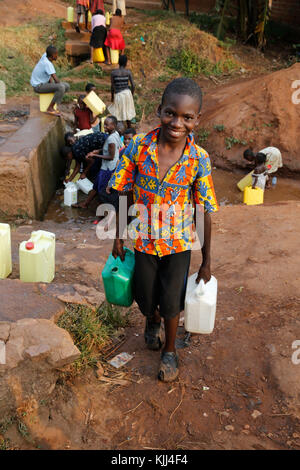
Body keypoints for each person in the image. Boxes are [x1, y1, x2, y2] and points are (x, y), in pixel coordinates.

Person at [107, 78, 218, 382]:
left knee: (173, 298)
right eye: (171, 113)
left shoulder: (199, 159)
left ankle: (170, 351)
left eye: (187, 117)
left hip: (179, 242)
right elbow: (122, 192)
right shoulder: (139, 147)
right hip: (143, 238)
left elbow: (203, 210)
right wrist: (118, 233)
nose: (177, 122)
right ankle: (150, 318)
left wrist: (206, 260)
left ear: (197, 119)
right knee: (144, 294)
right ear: (159, 110)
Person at [72, 115, 122, 208]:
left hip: (108, 168)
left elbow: (111, 156)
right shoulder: (115, 135)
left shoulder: (111, 139)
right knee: (96, 186)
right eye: (104, 124)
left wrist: (95, 155)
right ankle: (85, 204)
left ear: (114, 126)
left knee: (101, 190)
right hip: (106, 167)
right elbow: (110, 150)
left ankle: (104, 212)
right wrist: (98, 151)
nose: (105, 126)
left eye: (107, 125)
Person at [30, 46, 70, 117]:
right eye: (56, 54)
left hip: (42, 83)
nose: (57, 56)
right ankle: (50, 108)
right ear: (52, 56)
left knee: (67, 86)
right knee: (61, 87)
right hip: (38, 86)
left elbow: (49, 75)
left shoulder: (45, 56)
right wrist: (55, 86)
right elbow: (56, 80)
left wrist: (52, 85)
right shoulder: (47, 64)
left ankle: (53, 104)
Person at [108, 55, 136, 128]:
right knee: (128, 114)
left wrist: (112, 97)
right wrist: (131, 95)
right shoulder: (128, 72)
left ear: (118, 62)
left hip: (118, 95)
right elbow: (133, 85)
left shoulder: (113, 73)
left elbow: (112, 86)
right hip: (127, 94)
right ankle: (130, 130)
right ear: (126, 63)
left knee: (119, 114)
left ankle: (120, 132)